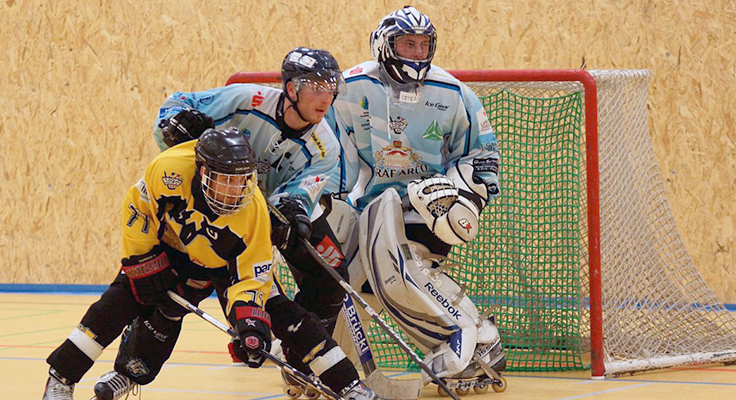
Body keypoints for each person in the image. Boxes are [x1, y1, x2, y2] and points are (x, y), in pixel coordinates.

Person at [150, 48, 377, 399]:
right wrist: (174, 123)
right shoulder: (245, 99)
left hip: (277, 205)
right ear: (291, 88)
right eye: (316, 87)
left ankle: (301, 361)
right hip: (228, 207)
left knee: (331, 275)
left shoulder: (326, 146)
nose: (326, 98)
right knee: (254, 289)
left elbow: (300, 193)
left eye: (331, 88)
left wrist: (292, 210)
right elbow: (175, 104)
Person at [324, 5, 507, 388]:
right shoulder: (350, 88)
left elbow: (482, 156)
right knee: (345, 286)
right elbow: (329, 151)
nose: (417, 53)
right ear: (384, 44)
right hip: (367, 208)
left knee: (401, 273)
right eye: (408, 44)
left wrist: (461, 198)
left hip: (428, 208)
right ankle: (325, 357)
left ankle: (472, 338)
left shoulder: (454, 93)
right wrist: (327, 200)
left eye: (423, 45)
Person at [43, 127, 276, 400]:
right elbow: (138, 208)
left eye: (241, 179)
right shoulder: (169, 170)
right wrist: (143, 260)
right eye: (227, 179)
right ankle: (61, 378)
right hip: (162, 248)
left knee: (167, 317)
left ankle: (129, 374)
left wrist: (248, 317)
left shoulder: (253, 208)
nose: (236, 189)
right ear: (205, 172)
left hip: (203, 265)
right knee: (115, 304)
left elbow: (254, 271)